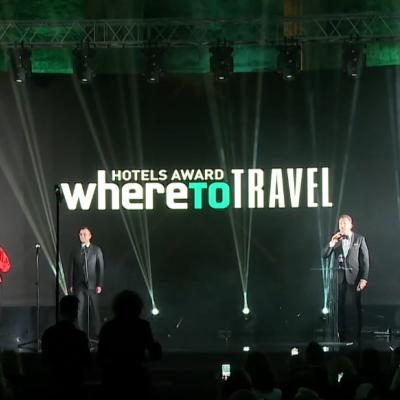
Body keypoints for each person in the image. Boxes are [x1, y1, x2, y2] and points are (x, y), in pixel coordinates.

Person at [97, 290, 162, 399]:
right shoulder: (142, 326)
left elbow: (100, 357)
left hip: (113, 378)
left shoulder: (108, 327)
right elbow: (155, 353)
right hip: (136, 377)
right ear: (138, 307)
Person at [322, 214, 369, 343]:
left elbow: (365, 260)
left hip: (355, 278)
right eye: (340, 224)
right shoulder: (336, 240)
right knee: (339, 307)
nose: (341, 226)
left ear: (350, 225)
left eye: (344, 223)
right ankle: (341, 335)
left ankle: (357, 335)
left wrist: (364, 278)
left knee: (355, 306)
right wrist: (332, 242)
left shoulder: (359, 239)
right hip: (339, 278)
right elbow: (324, 255)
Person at [41, 295, 91, 399]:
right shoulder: (80, 336)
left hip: (54, 384)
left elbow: (45, 360)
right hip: (75, 385)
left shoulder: (48, 334)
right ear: (76, 312)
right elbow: (87, 362)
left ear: (60, 311)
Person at [69, 227, 104, 338]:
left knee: (95, 310)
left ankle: (98, 334)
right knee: (79, 310)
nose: (82, 236)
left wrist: (99, 284)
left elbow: (100, 268)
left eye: (84, 234)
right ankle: (79, 334)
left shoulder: (96, 250)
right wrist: (70, 284)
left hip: (92, 285)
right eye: (80, 234)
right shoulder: (75, 251)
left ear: (90, 236)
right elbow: (70, 269)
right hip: (78, 284)